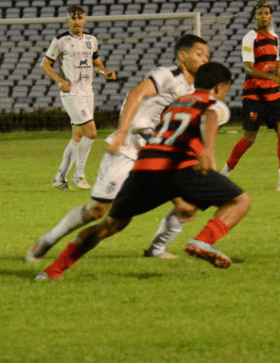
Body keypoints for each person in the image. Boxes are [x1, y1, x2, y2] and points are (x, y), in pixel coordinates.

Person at [36, 62, 250, 280]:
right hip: (177, 169)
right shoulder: (213, 102)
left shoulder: (176, 103)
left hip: (143, 168)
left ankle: (52, 271)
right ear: (218, 87)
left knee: (110, 225)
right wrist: (208, 150)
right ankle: (203, 241)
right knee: (240, 201)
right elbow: (210, 116)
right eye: (226, 90)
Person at [26, 34, 210, 263]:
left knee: (188, 204)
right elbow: (136, 93)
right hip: (131, 149)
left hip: (161, 154)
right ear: (182, 56)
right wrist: (122, 132)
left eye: (207, 55)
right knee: (98, 212)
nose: (205, 58)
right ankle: (46, 242)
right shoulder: (168, 75)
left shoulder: (198, 88)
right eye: (199, 53)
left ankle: (156, 249)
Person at [220, 0, 280, 191]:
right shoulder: (250, 37)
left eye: (266, 13)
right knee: (249, 138)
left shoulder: (274, 38)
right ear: (255, 17)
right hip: (254, 94)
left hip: (273, 94)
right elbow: (248, 69)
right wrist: (272, 77)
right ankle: (223, 174)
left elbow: (278, 67)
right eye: (260, 13)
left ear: (271, 16)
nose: (263, 16)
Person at [41, 4, 117, 190]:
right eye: (73, 18)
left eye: (79, 17)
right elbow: (45, 65)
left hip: (87, 92)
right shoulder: (60, 40)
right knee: (91, 132)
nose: (77, 21)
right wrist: (60, 80)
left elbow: (96, 63)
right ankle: (78, 174)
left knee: (78, 135)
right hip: (71, 92)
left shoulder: (91, 40)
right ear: (68, 20)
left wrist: (105, 73)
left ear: (84, 19)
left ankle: (59, 178)